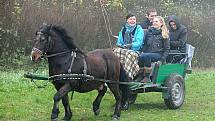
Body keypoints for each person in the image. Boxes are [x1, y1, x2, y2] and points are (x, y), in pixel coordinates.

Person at [139, 16, 170, 82]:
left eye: (156, 21)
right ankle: (140, 75)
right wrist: (142, 51)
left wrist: (162, 60)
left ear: (161, 23)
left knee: (147, 56)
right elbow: (145, 44)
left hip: (158, 54)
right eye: (153, 21)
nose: (154, 23)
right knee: (140, 56)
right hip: (148, 52)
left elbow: (167, 49)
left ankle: (147, 77)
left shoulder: (164, 34)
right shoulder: (149, 32)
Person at [114, 14, 144, 81]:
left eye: (134, 19)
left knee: (129, 54)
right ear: (127, 20)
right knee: (116, 51)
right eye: (131, 19)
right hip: (124, 49)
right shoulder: (123, 29)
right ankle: (117, 74)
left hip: (136, 50)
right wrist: (120, 45)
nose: (132, 21)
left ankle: (128, 76)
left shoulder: (139, 29)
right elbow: (119, 41)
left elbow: (139, 43)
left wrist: (130, 45)